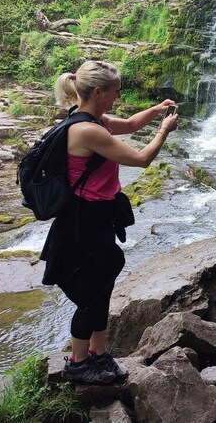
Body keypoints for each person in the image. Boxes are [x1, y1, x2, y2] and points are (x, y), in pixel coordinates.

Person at [40, 60, 178, 385]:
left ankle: (99, 355)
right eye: (116, 89)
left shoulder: (91, 119)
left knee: (102, 286)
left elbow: (129, 124)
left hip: (96, 217)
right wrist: (164, 130)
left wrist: (157, 109)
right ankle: (78, 363)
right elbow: (142, 159)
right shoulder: (86, 130)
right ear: (99, 91)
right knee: (91, 293)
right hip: (83, 222)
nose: (119, 94)